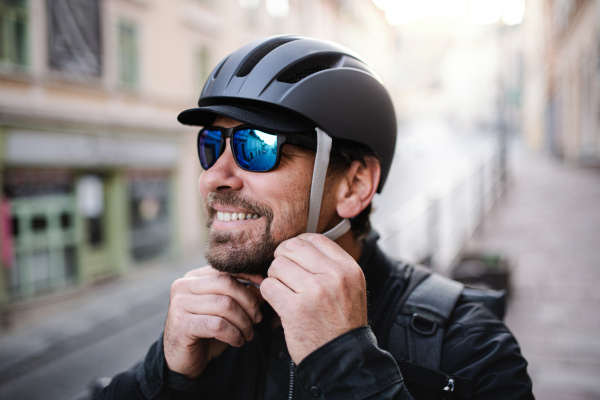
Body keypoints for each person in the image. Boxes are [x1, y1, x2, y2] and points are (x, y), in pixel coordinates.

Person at [97, 35, 533, 399]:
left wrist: (346, 365)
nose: (212, 177)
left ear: (354, 184)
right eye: (212, 145)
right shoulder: (203, 335)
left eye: (257, 145)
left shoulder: (470, 346)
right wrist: (164, 376)